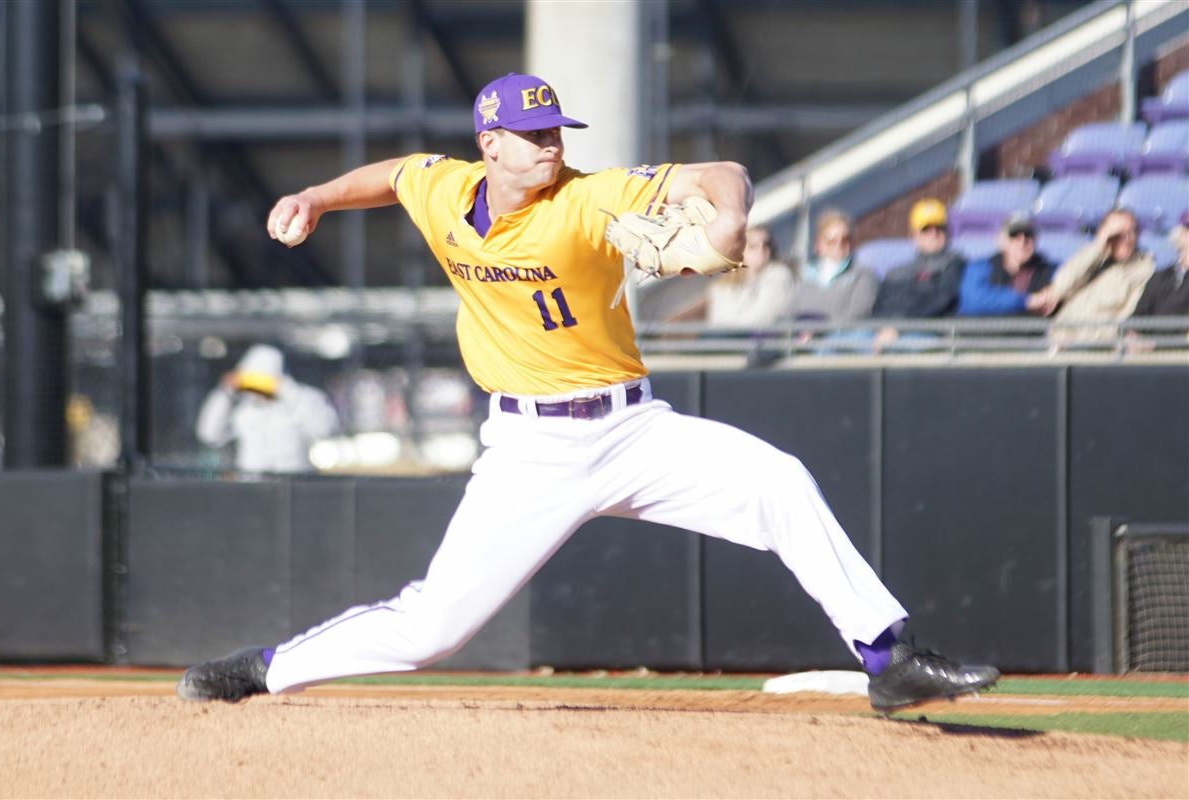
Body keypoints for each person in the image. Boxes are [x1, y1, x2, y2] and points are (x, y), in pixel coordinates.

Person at [176, 72, 998, 712]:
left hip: (633, 431)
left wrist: (727, 221)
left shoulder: (588, 197)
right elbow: (394, 175)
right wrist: (317, 196)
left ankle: (888, 659)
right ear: (488, 143)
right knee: (433, 628)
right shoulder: (442, 188)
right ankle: (265, 670)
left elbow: (723, 171)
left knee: (780, 480)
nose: (550, 147)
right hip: (529, 450)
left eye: (555, 132)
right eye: (532, 135)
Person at [195, 344, 340, 473]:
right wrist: (224, 394)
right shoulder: (242, 408)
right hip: (253, 486)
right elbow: (209, 435)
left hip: (294, 486)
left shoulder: (304, 399)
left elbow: (325, 430)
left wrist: (285, 391)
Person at [1030, 209, 1155, 343]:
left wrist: (1078, 339)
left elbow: (1124, 322)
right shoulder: (1090, 258)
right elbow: (1060, 288)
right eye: (1117, 234)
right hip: (1058, 341)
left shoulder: (1143, 271)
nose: (1126, 239)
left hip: (1094, 350)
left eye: (1131, 232)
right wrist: (1098, 248)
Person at [870, 198, 965, 350]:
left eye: (939, 228)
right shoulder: (897, 272)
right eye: (926, 229)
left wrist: (898, 327)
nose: (933, 234)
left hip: (929, 333)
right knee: (843, 342)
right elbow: (879, 307)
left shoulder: (955, 263)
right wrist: (883, 328)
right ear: (913, 234)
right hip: (888, 332)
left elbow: (941, 301)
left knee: (895, 348)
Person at [665, 226, 795, 329]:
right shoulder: (721, 287)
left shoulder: (779, 276)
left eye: (767, 245)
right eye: (753, 246)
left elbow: (762, 318)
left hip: (757, 345)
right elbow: (718, 323)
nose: (762, 251)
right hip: (729, 346)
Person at [789, 209, 878, 324]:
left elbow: (857, 315)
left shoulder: (863, 276)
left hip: (840, 338)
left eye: (845, 240)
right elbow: (789, 312)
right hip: (799, 338)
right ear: (819, 245)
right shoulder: (803, 275)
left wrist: (818, 331)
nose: (839, 245)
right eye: (831, 241)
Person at [957, 212, 1055, 316]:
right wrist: (1027, 301)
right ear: (1001, 240)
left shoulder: (1047, 269)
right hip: (986, 331)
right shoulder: (980, 268)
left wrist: (1055, 293)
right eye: (1014, 235)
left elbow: (1067, 278)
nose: (1022, 242)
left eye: (1028, 235)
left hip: (1032, 331)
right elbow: (973, 301)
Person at [1130, 210, 1189, 318]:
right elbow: (1138, 316)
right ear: (1179, 235)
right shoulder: (1161, 277)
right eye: (1187, 230)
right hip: (1152, 334)